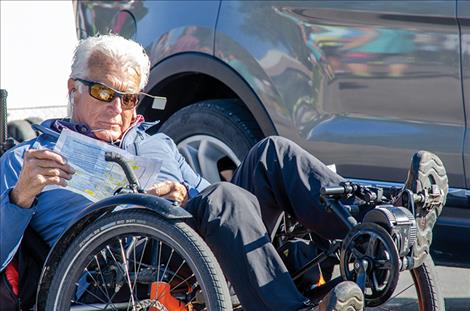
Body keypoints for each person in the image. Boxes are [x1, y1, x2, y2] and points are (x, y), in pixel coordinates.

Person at [0, 34, 447, 311]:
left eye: (130, 98)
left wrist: (179, 192)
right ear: (73, 89)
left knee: (272, 155)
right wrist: (20, 198)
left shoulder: (155, 143)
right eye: (104, 92)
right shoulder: (27, 159)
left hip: (186, 246)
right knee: (225, 198)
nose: (118, 109)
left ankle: (378, 231)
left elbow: (208, 202)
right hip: (118, 268)